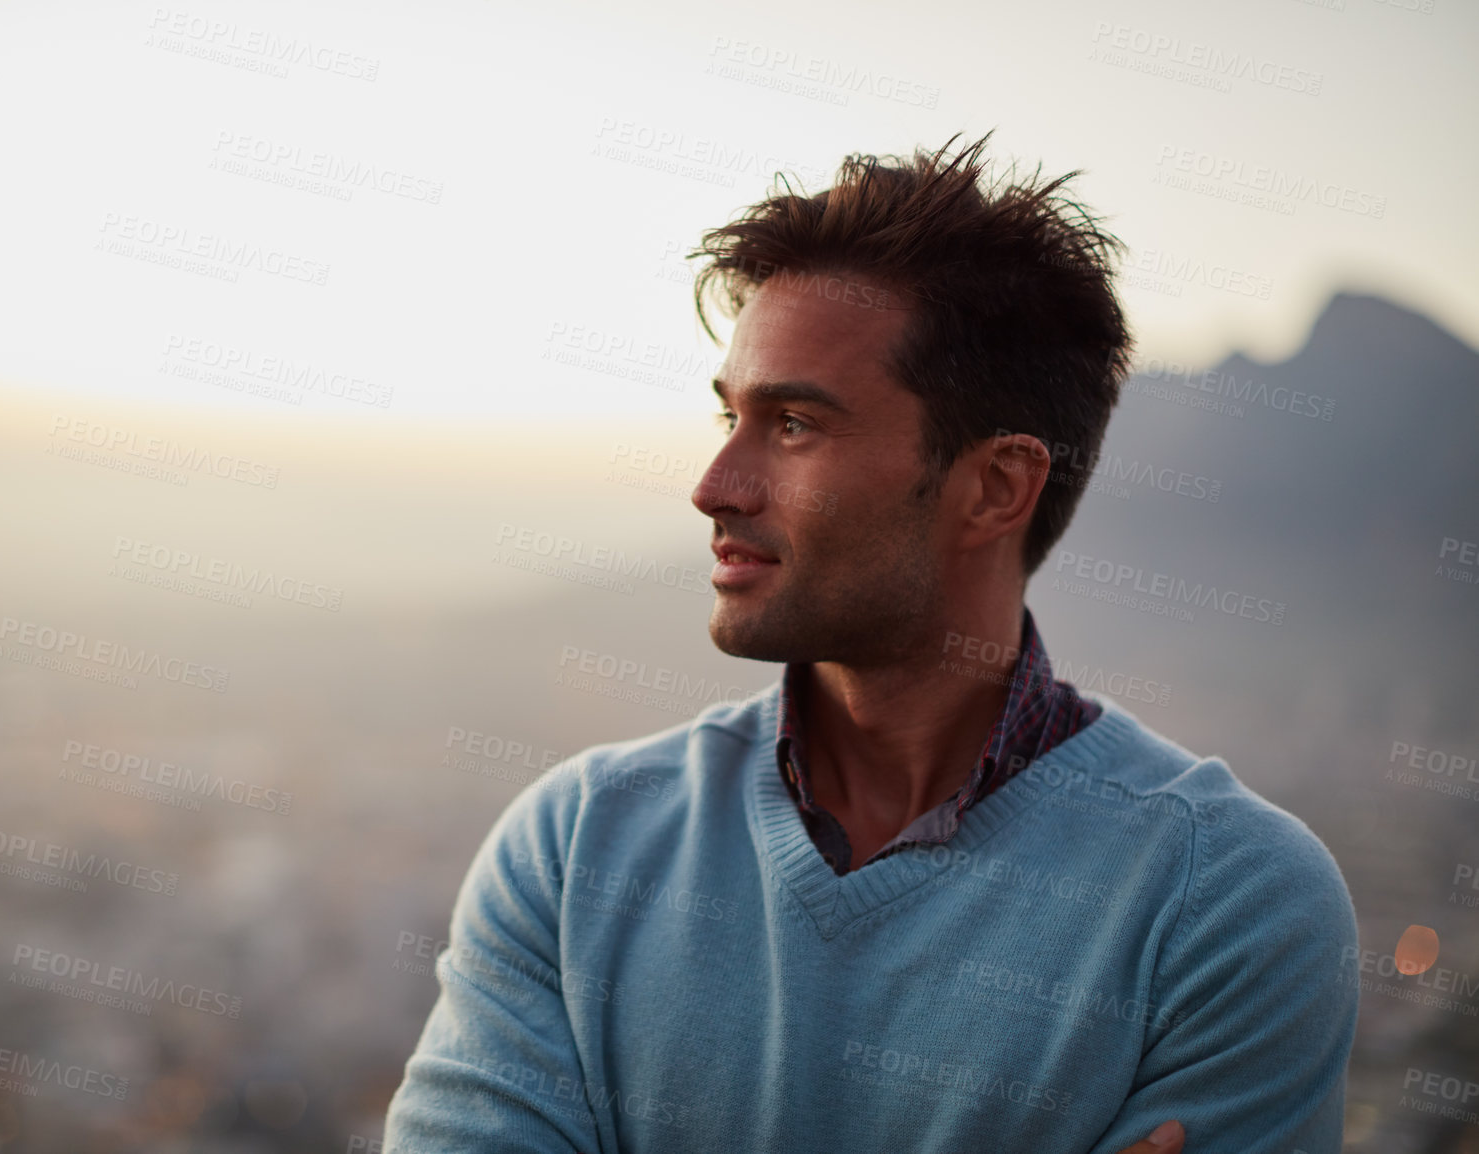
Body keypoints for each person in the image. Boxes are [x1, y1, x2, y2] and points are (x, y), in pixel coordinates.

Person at [383, 133, 1358, 1153]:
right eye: (729, 415)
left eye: (794, 423)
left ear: (994, 487)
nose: (715, 484)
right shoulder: (578, 845)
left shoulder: (1226, 903)